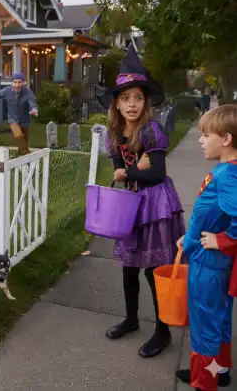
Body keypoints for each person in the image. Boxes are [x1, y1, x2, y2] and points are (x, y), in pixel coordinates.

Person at [98, 44, 185, 358]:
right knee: (128, 268)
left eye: (137, 97)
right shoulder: (113, 135)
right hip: (131, 205)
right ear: (117, 104)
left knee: (153, 270)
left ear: (145, 101)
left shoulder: (151, 131)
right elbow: (119, 172)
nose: (132, 104)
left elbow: (158, 173)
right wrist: (133, 171)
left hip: (156, 204)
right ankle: (132, 319)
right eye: (125, 98)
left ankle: (163, 332)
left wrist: (131, 171)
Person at [175, 104, 237, 391]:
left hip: (209, 263)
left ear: (225, 139)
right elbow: (208, 215)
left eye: (205, 135)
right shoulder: (228, 170)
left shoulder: (227, 176)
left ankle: (204, 382)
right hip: (215, 261)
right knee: (220, 317)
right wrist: (190, 236)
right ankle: (219, 371)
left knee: (204, 324)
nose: (200, 140)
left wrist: (222, 240)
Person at [0, 73, 38, 156]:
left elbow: (32, 101)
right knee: (18, 136)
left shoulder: (27, 91)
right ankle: (28, 157)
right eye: (15, 82)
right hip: (13, 119)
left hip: (25, 120)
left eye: (19, 82)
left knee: (23, 141)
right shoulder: (7, 90)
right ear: (12, 83)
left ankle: (21, 158)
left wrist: (34, 109)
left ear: (24, 82)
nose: (17, 85)